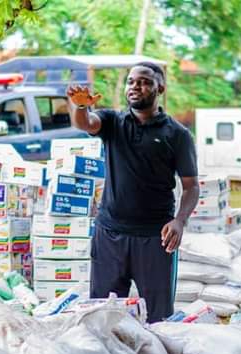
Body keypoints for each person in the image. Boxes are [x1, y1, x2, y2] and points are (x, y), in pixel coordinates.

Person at [67, 62, 200, 322]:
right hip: (110, 236)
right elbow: (85, 123)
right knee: (103, 317)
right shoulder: (112, 122)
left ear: (159, 88)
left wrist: (180, 221)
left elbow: (191, 186)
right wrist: (80, 105)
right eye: (131, 81)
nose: (135, 86)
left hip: (155, 239)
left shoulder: (177, 134)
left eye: (144, 81)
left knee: (158, 319)